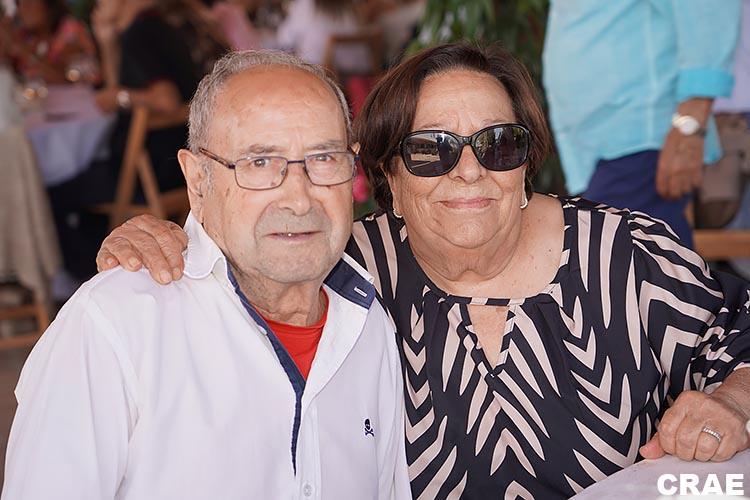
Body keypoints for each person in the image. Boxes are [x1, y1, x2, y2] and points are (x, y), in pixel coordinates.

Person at [97, 43, 750, 499]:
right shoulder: (344, 269)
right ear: (387, 175)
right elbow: (235, 266)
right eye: (431, 150)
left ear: (526, 163)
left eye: (498, 145)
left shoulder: (624, 254)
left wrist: (730, 401)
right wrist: (166, 237)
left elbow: (739, 334)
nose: (469, 171)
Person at [2, 50, 410, 499]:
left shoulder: (369, 327)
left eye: (324, 158)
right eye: (259, 163)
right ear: (198, 180)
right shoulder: (116, 327)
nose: (299, 198)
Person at [542, 1, 742, 247]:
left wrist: (689, 124)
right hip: (606, 144)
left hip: (641, 134)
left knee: (620, 256)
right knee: (635, 259)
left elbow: (709, 10)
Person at [0, 0, 98, 84]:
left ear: (48, 5)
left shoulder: (70, 31)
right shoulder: (23, 35)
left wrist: (22, 51)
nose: (24, 9)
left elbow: (66, 80)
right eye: (20, 4)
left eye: (30, 2)